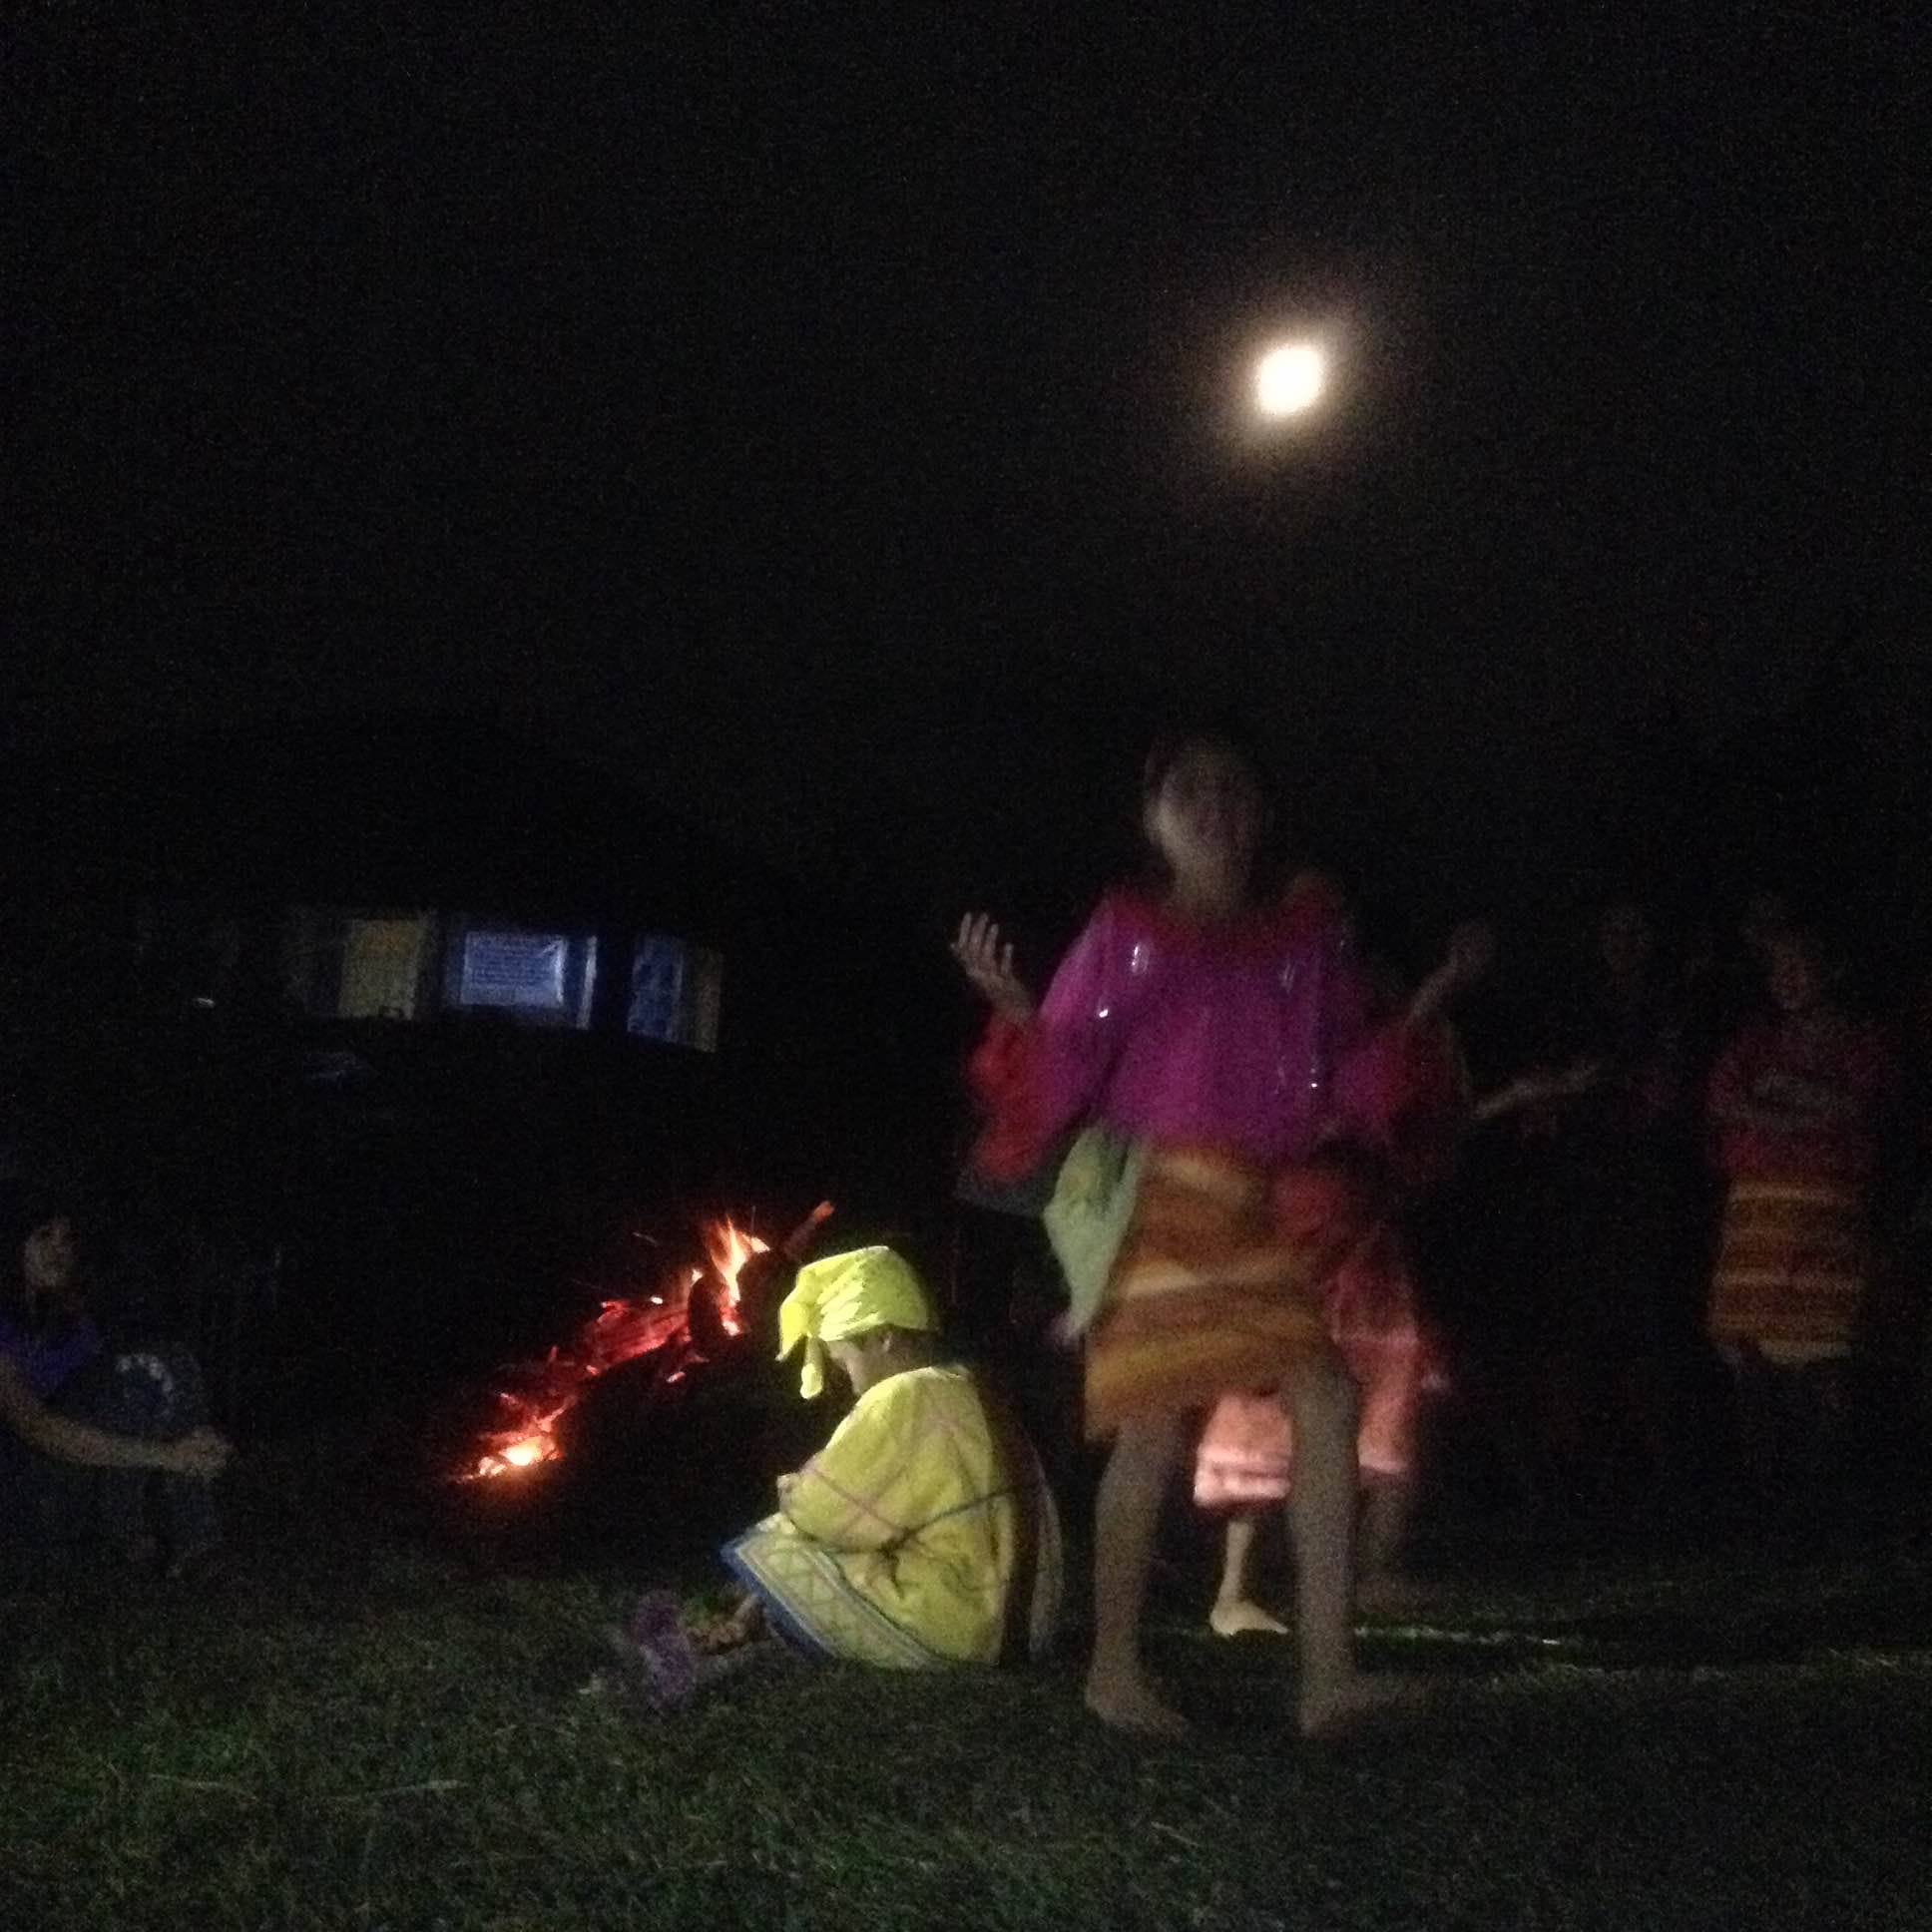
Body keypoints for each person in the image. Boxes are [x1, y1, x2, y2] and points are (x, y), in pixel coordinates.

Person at [955, 732, 1418, 1736]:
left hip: (1248, 1206)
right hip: (1154, 1196)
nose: (1213, 803)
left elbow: (1345, 1061)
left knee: (1328, 1400)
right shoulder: (1129, 927)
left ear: (1258, 815)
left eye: (1233, 786)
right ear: (1153, 818)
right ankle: (1114, 1670)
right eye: (1187, 788)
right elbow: (1067, 1061)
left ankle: (1327, 1677)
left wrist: (1404, 1061)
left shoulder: (1301, 936)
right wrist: (1016, 1014)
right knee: (1155, 1427)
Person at [1195, 921, 1493, 1626]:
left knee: (1395, 1408)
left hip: (1367, 1262)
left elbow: (1402, 1107)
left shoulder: (1363, 1056)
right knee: (1263, 1415)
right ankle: (1233, 1593)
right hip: (1294, 1259)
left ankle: (1371, 1573)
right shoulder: (1273, 1056)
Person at [717, 1245, 1063, 1670]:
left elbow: (822, 1511)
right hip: (1034, 1625)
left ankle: (749, 1627)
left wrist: (791, 1487)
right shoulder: (969, 1384)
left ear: (883, 1337)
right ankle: (757, 1616)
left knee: (776, 1542)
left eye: (844, 1362)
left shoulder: (900, 1396)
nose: (851, 1382)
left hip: (969, 1624)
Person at [1706, 925, 1887, 1493]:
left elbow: (1858, 1108)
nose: (1786, 980)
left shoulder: (1857, 1042)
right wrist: (1797, 1107)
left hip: (1822, 1208)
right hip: (1759, 1210)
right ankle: (1766, 1486)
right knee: (1748, 1345)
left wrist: (1784, 1093)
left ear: (1828, 971)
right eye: (1777, 969)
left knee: (1823, 1346)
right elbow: (1725, 1103)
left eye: (1799, 966)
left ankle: (1828, 1484)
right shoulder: (1755, 1041)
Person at [0, 1198, 233, 1573]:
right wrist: (167, 1455)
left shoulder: (73, 1324)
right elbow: (34, 1427)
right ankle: (128, 1532)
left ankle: (193, 1539)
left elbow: (118, 1405)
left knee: (171, 1361)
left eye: (67, 1239)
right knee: (149, 1365)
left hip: (78, 1481)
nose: (60, 1249)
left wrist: (196, 1442)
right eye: (44, 1237)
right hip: (25, 1493)